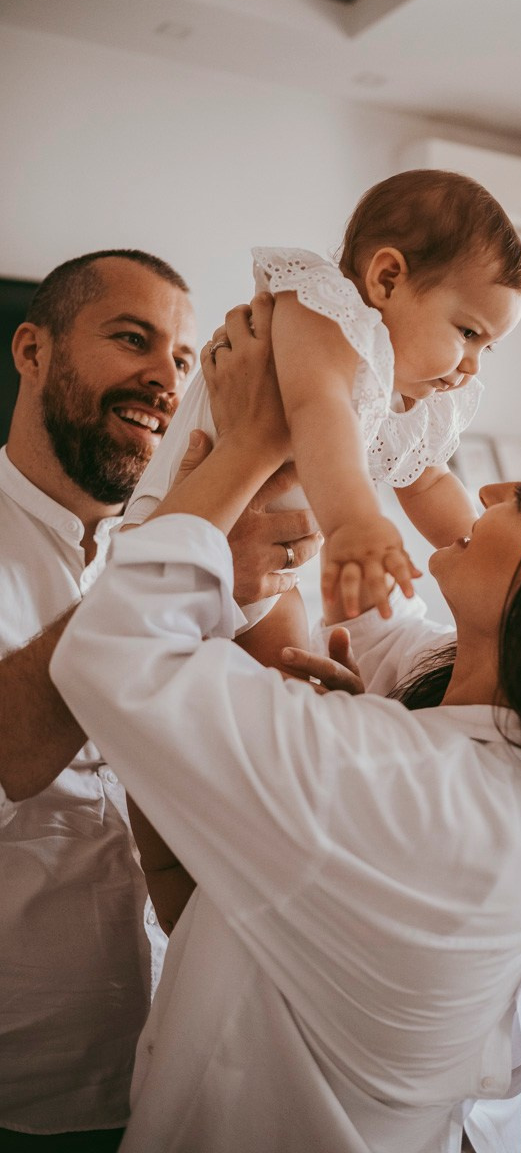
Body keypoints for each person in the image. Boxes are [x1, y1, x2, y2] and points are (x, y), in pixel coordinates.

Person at [49, 294, 521, 1153]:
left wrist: (248, 443)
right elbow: (377, 623)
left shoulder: (421, 794)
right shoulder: (505, 737)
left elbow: (113, 649)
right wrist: (320, 417)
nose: (491, 488)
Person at [0, 252, 321, 1148]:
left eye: (183, 360)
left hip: (179, 1066)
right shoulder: (186, 542)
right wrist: (186, 541)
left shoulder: (200, 541)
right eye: (130, 339)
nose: (163, 378)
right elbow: (9, 752)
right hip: (21, 1086)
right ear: (33, 350)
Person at [123, 169, 521, 637]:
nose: (474, 364)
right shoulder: (323, 308)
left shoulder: (400, 391)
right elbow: (320, 409)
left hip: (268, 580)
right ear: (388, 278)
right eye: (468, 333)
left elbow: (427, 481)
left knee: (293, 675)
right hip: (176, 514)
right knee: (143, 641)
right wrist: (354, 523)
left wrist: (478, 544)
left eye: (487, 347)